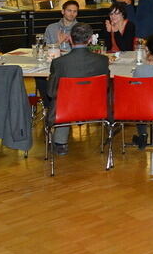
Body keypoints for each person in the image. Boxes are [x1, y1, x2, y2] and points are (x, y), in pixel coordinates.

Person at [47, 23, 110, 155]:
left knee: (60, 99)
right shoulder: (103, 60)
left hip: (67, 109)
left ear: (70, 38)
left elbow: (51, 92)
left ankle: (60, 142)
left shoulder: (59, 63)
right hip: (96, 108)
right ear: (89, 40)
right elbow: (106, 87)